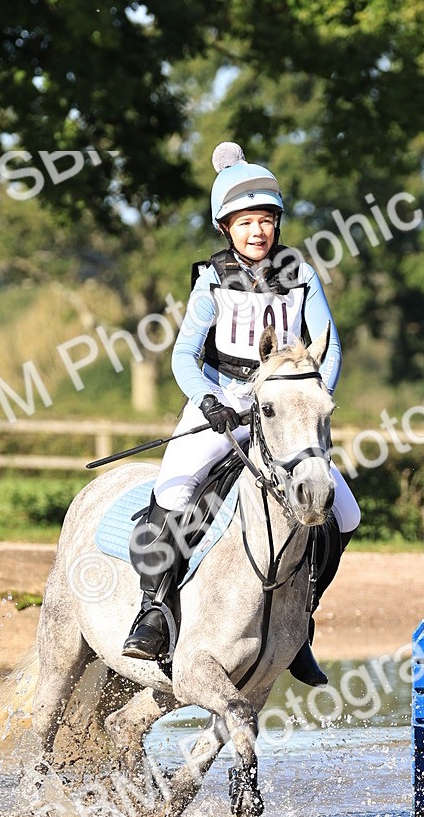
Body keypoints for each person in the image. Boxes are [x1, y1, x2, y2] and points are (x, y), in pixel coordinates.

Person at [121, 141, 361, 684]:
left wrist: (310, 401)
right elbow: (184, 355)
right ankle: (153, 612)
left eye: (267, 221)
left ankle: (297, 621)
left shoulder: (302, 277)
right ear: (226, 227)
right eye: (246, 221)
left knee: (344, 514)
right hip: (224, 403)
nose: (258, 231)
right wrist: (211, 401)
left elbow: (332, 347)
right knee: (174, 492)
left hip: (287, 415)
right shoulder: (211, 280)